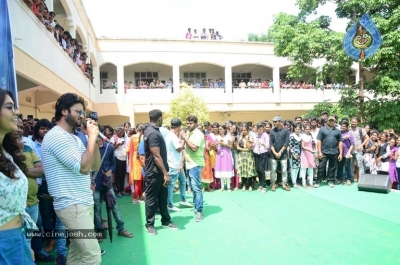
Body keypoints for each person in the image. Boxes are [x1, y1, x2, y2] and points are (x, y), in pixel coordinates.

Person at [42, 93, 102, 264]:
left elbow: (94, 165)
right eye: (78, 112)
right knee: (92, 255)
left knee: (76, 254)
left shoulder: (74, 138)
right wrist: (90, 137)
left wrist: (95, 141)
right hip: (72, 204)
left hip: (82, 202)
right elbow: (83, 168)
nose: (82, 116)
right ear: (64, 111)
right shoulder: (56, 136)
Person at [0, 90, 36, 264]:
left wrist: (25, 245)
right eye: (9, 107)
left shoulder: (7, 152)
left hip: (18, 239)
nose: (16, 112)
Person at [143, 109, 178, 235]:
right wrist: (165, 173)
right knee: (152, 198)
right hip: (155, 172)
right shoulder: (153, 133)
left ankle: (166, 220)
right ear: (159, 119)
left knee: (163, 197)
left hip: (160, 171)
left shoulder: (152, 131)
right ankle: (150, 224)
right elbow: (156, 156)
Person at [159, 118, 193, 211]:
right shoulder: (172, 136)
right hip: (173, 164)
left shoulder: (170, 135)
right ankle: (170, 204)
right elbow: (179, 149)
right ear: (178, 127)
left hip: (177, 164)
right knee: (171, 185)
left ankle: (183, 199)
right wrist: (183, 139)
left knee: (183, 181)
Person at [181, 115, 205, 222]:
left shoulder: (198, 134)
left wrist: (185, 138)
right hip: (189, 163)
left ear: (196, 123)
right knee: (193, 188)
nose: (188, 125)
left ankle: (199, 211)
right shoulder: (189, 133)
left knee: (196, 188)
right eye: (187, 123)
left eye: (190, 123)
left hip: (196, 164)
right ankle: (196, 207)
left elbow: (194, 148)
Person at [315, 116, 343, 188]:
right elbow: (319, 141)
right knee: (321, 167)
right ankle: (318, 182)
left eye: (332, 121)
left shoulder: (337, 131)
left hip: (334, 152)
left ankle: (330, 181)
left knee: (332, 167)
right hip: (324, 152)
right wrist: (319, 152)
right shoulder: (322, 129)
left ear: (335, 121)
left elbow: (340, 142)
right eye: (330, 120)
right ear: (327, 121)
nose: (331, 122)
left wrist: (340, 153)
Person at [269, 116, 290, 191]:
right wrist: (274, 152)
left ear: (280, 122)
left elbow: (286, 142)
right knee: (273, 170)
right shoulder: (272, 131)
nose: (274, 123)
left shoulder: (286, 131)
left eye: (275, 121)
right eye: (273, 121)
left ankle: (284, 184)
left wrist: (280, 152)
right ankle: (273, 184)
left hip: (283, 154)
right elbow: (271, 143)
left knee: (284, 170)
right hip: (273, 154)